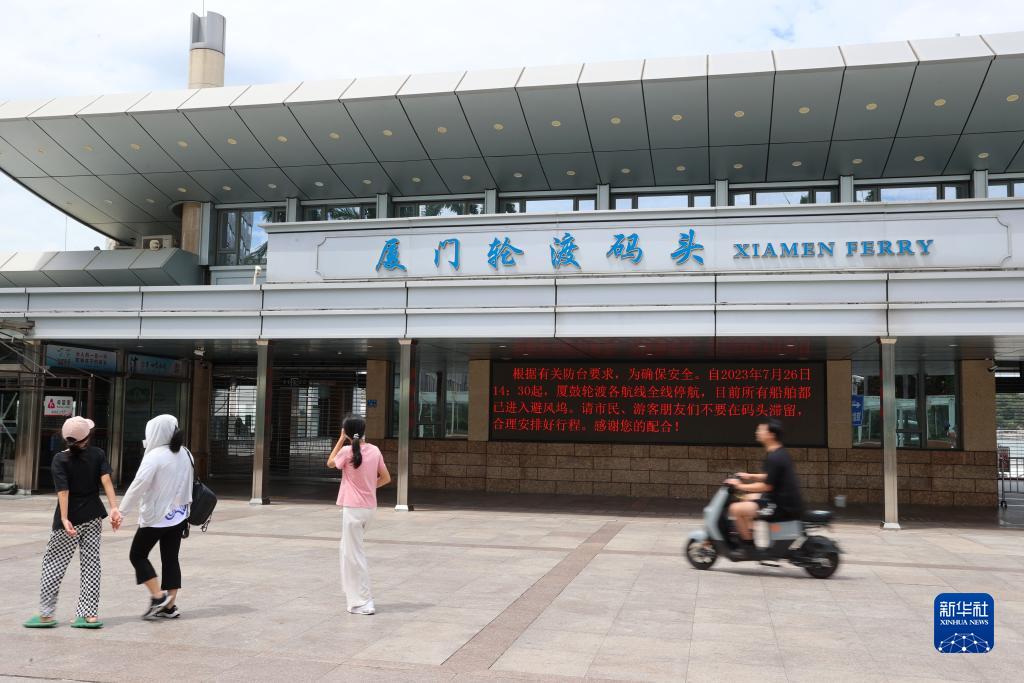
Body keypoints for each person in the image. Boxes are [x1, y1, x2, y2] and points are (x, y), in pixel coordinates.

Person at [23, 416, 122, 629]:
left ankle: (46, 615)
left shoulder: (60, 459)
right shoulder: (98, 454)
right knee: (91, 564)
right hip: (93, 516)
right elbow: (106, 480)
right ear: (87, 437)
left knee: (54, 563)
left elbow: (63, 491)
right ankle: (89, 615)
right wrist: (114, 507)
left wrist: (64, 518)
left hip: (69, 521)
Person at [119, 414, 193, 620]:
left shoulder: (154, 456)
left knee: (137, 555)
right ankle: (169, 607)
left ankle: (158, 597)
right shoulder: (186, 453)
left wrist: (121, 512)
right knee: (170, 558)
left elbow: (138, 486)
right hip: (179, 516)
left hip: (156, 517)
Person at [327, 416, 390, 615]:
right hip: (369, 508)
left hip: (353, 509)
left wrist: (341, 439)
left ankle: (364, 601)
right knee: (348, 551)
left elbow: (330, 463)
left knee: (354, 555)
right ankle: (354, 598)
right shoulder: (375, 450)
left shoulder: (346, 451)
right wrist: (369, 488)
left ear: (346, 431)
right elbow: (386, 478)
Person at [724, 418, 804, 557]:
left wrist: (740, 486)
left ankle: (748, 547)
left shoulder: (775, 457)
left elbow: (766, 486)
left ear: (771, 435)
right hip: (781, 500)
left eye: (761, 430)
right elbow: (770, 476)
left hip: (780, 506)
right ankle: (749, 533)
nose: (757, 432)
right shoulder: (779, 452)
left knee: (735, 509)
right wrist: (749, 476)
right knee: (745, 499)